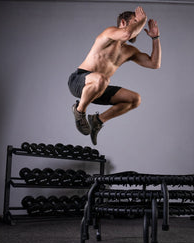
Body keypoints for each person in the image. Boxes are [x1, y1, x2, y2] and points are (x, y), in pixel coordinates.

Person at [68, 6, 161, 145]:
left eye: (139, 23)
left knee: (135, 99)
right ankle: (79, 111)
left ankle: (98, 121)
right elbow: (126, 34)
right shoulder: (109, 33)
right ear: (123, 23)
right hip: (79, 80)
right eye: (135, 22)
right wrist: (143, 20)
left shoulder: (130, 51)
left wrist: (155, 38)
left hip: (98, 87)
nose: (139, 27)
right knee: (102, 79)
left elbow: (154, 64)